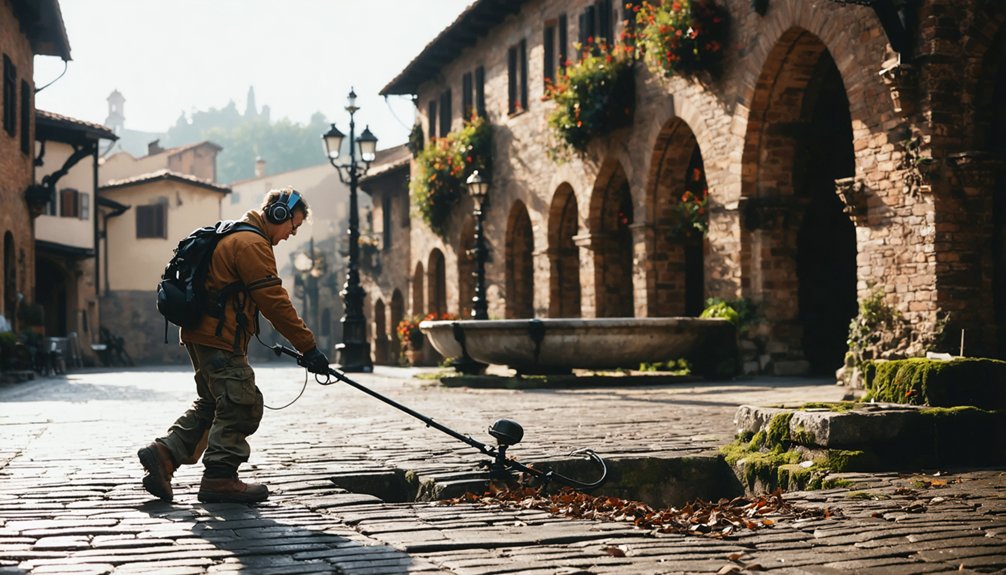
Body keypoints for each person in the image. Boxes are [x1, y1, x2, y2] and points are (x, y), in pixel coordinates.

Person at [137, 187, 330, 504]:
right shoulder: (252, 243)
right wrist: (309, 347)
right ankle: (220, 478)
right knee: (242, 402)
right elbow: (275, 303)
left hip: (201, 333)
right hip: (219, 337)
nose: (289, 235)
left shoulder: (235, 234)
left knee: (214, 404)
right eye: (291, 226)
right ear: (276, 214)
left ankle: (164, 454)